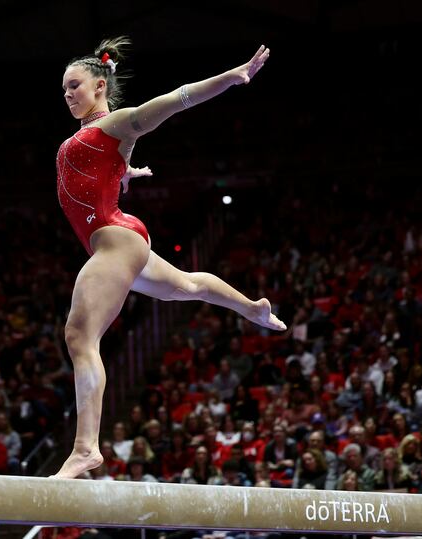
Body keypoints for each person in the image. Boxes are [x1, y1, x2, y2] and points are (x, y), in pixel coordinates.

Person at [53, 37, 286, 478]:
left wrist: (231, 78)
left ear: (101, 85)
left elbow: (174, 100)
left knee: (81, 337)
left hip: (113, 240)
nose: (68, 95)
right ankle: (250, 308)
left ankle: (85, 448)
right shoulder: (94, 136)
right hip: (122, 237)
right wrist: (125, 172)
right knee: (185, 286)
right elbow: (103, 169)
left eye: (75, 86)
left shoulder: (118, 122)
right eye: (63, 89)